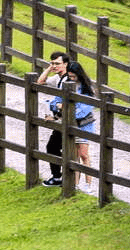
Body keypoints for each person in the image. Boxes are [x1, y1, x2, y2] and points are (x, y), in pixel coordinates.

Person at [36, 53, 97, 189]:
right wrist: (58, 107)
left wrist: (66, 109)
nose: (72, 79)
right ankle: (72, 183)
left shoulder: (86, 88)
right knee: (72, 155)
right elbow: (55, 101)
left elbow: (83, 110)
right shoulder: (64, 83)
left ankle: (87, 185)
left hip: (82, 124)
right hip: (67, 122)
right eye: (70, 77)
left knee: (83, 155)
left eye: (74, 77)